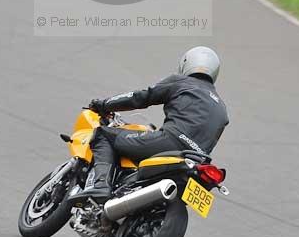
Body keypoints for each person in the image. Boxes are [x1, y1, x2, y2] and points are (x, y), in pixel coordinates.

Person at [71, 46, 229, 203]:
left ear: (186, 64)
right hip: (198, 161)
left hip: (169, 143)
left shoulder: (181, 82)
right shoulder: (222, 108)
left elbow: (140, 97)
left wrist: (103, 104)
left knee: (103, 134)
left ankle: (101, 186)